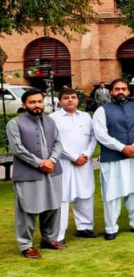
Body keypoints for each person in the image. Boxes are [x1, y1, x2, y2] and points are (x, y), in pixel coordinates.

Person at [8, 89, 66, 258]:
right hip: (28, 173)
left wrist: (52, 160)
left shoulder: (50, 121)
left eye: (39, 101)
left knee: (53, 206)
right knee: (27, 209)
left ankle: (49, 239)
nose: (37, 105)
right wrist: (40, 163)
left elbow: (58, 143)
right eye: (32, 102)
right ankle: (26, 245)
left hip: (52, 171)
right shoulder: (14, 123)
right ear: (24, 104)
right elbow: (17, 149)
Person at [92, 79, 134, 240]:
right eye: (117, 89)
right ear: (111, 92)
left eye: (124, 89)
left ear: (128, 91)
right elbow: (101, 134)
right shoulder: (102, 111)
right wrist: (122, 148)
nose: (121, 92)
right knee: (112, 192)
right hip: (113, 158)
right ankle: (111, 228)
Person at [51, 89, 97, 243]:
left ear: (78, 100)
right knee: (63, 196)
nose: (70, 100)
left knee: (85, 193)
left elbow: (93, 138)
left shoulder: (86, 117)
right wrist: (73, 157)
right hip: (63, 162)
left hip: (84, 161)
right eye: (66, 98)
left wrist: (87, 154)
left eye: (73, 97)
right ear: (60, 101)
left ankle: (84, 227)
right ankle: (59, 234)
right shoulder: (53, 118)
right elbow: (54, 142)